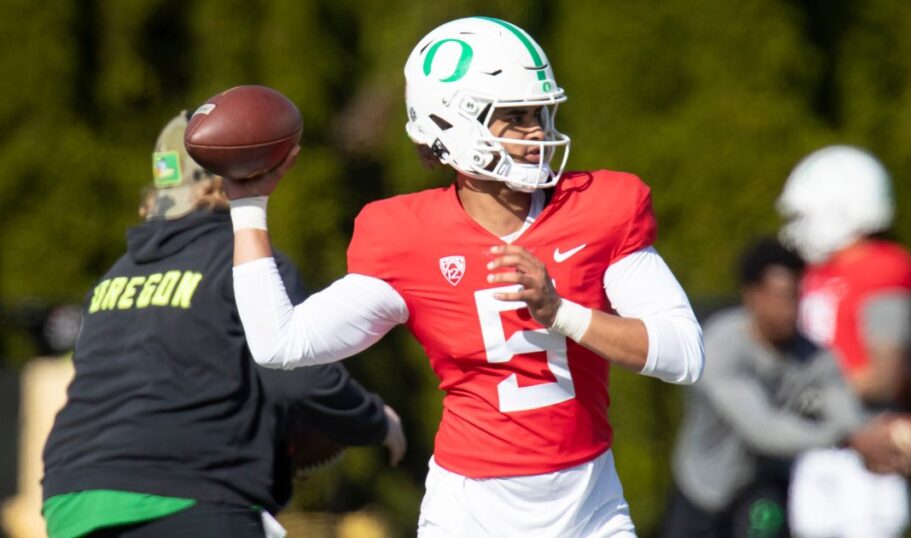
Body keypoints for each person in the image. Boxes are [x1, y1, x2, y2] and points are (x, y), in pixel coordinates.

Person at [223, 16, 705, 537]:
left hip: (590, 503)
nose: (537, 133)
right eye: (515, 117)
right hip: (472, 511)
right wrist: (248, 207)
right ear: (454, 125)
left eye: (541, 114)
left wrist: (560, 312)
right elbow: (280, 342)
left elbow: (685, 353)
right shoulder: (406, 236)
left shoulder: (598, 208)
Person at [41, 111, 406, 538]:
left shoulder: (112, 279)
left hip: (73, 501)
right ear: (227, 176)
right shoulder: (242, 265)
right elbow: (297, 378)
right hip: (189, 494)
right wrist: (374, 420)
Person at [663, 239, 911, 538]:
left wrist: (889, 436)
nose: (790, 309)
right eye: (781, 297)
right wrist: (850, 439)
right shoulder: (723, 348)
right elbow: (762, 429)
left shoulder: (814, 357)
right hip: (705, 490)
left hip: (764, 488)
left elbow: (846, 415)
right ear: (752, 296)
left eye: (797, 297)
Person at [776, 145, 911, 537]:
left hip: (867, 449)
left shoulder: (883, 268)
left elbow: (883, 376)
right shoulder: (817, 272)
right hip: (818, 444)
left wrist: (806, 389)